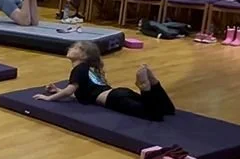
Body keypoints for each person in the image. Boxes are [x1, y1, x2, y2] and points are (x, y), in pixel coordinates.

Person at [33, 40, 176, 122]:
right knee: (167, 110)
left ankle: (145, 88)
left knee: (153, 115)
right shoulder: (91, 69)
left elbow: (70, 90)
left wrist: (49, 98)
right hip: (119, 93)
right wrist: (58, 90)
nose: (70, 48)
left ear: (83, 55)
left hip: (114, 100)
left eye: (75, 48)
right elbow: (81, 93)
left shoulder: (78, 69)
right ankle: (155, 84)